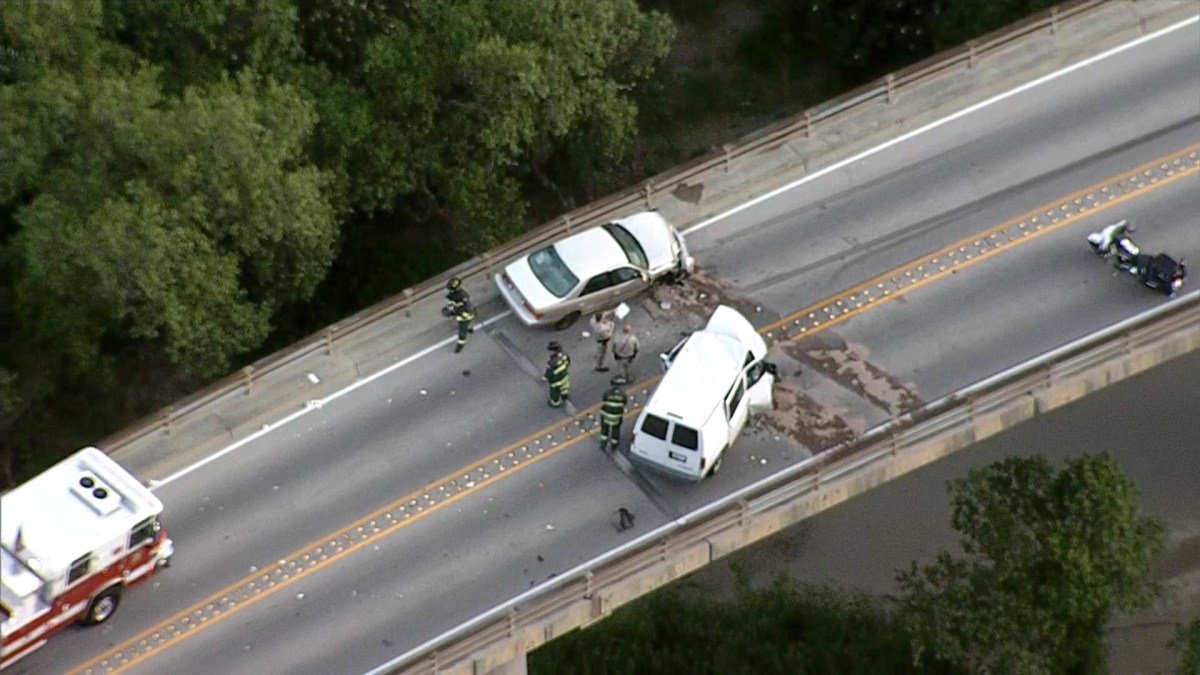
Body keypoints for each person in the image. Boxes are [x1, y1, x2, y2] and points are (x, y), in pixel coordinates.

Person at [598, 378, 628, 451]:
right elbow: (624, 403)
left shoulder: (607, 392)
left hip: (606, 416)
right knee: (616, 430)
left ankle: (603, 444)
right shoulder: (623, 394)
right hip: (616, 417)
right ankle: (614, 445)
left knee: (604, 430)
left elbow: (603, 400)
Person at [544, 341, 571, 407]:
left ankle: (555, 403)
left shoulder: (552, 362)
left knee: (554, 392)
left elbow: (549, 372)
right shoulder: (564, 355)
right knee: (564, 387)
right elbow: (568, 362)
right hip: (564, 376)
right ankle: (565, 395)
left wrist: (545, 378)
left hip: (556, 381)